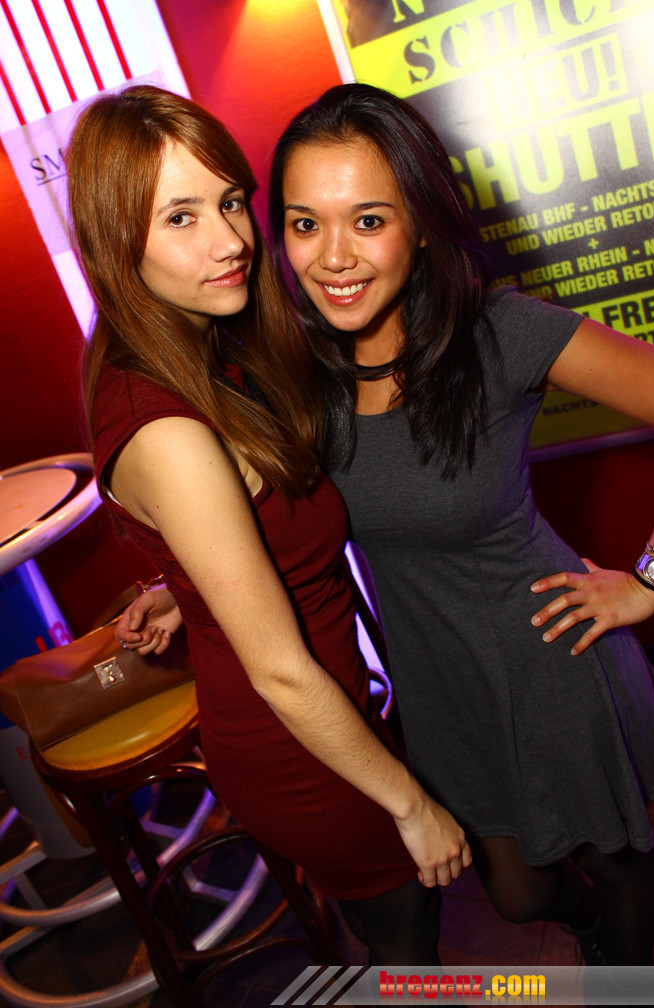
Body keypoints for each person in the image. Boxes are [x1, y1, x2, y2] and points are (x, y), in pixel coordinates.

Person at [262, 83, 654, 967]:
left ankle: (625, 979)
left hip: (546, 655)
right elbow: (281, 514)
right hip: (436, 680)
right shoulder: (301, 370)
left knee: (614, 863)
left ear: (419, 224)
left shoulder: (500, 332)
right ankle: (595, 940)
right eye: (304, 224)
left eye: (367, 220)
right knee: (516, 892)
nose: (332, 257)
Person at [68, 83, 472, 967]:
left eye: (229, 203)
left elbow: (227, 531)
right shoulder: (169, 428)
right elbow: (282, 673)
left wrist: (190, 587)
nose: (230, 241)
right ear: (112, 238)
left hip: (326, 722)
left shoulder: (198, 349)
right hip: (303, 752)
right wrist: (410, 804)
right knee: (411, 956)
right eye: (179, 218)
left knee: (402, 946)